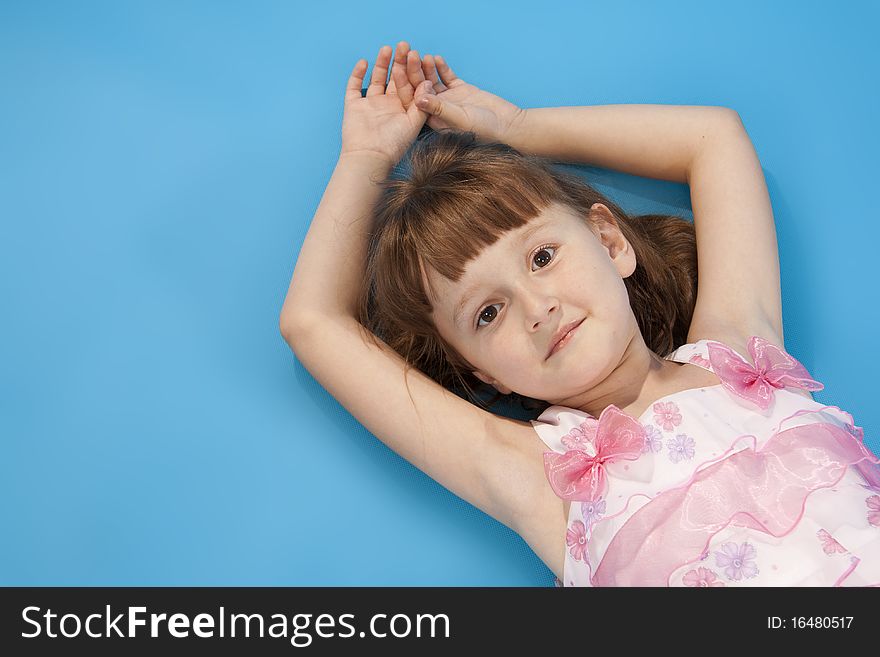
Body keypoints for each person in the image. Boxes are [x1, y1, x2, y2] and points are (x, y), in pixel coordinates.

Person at [279, 41, 880, 586]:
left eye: (542, 255)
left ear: (610, 242)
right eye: (487, 313)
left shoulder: (739, 357)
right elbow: (313, 323)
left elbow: (713, 138)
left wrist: (518, 127)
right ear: (482, 373)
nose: (536, 308)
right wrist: (365, 158)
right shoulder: (538, 477)